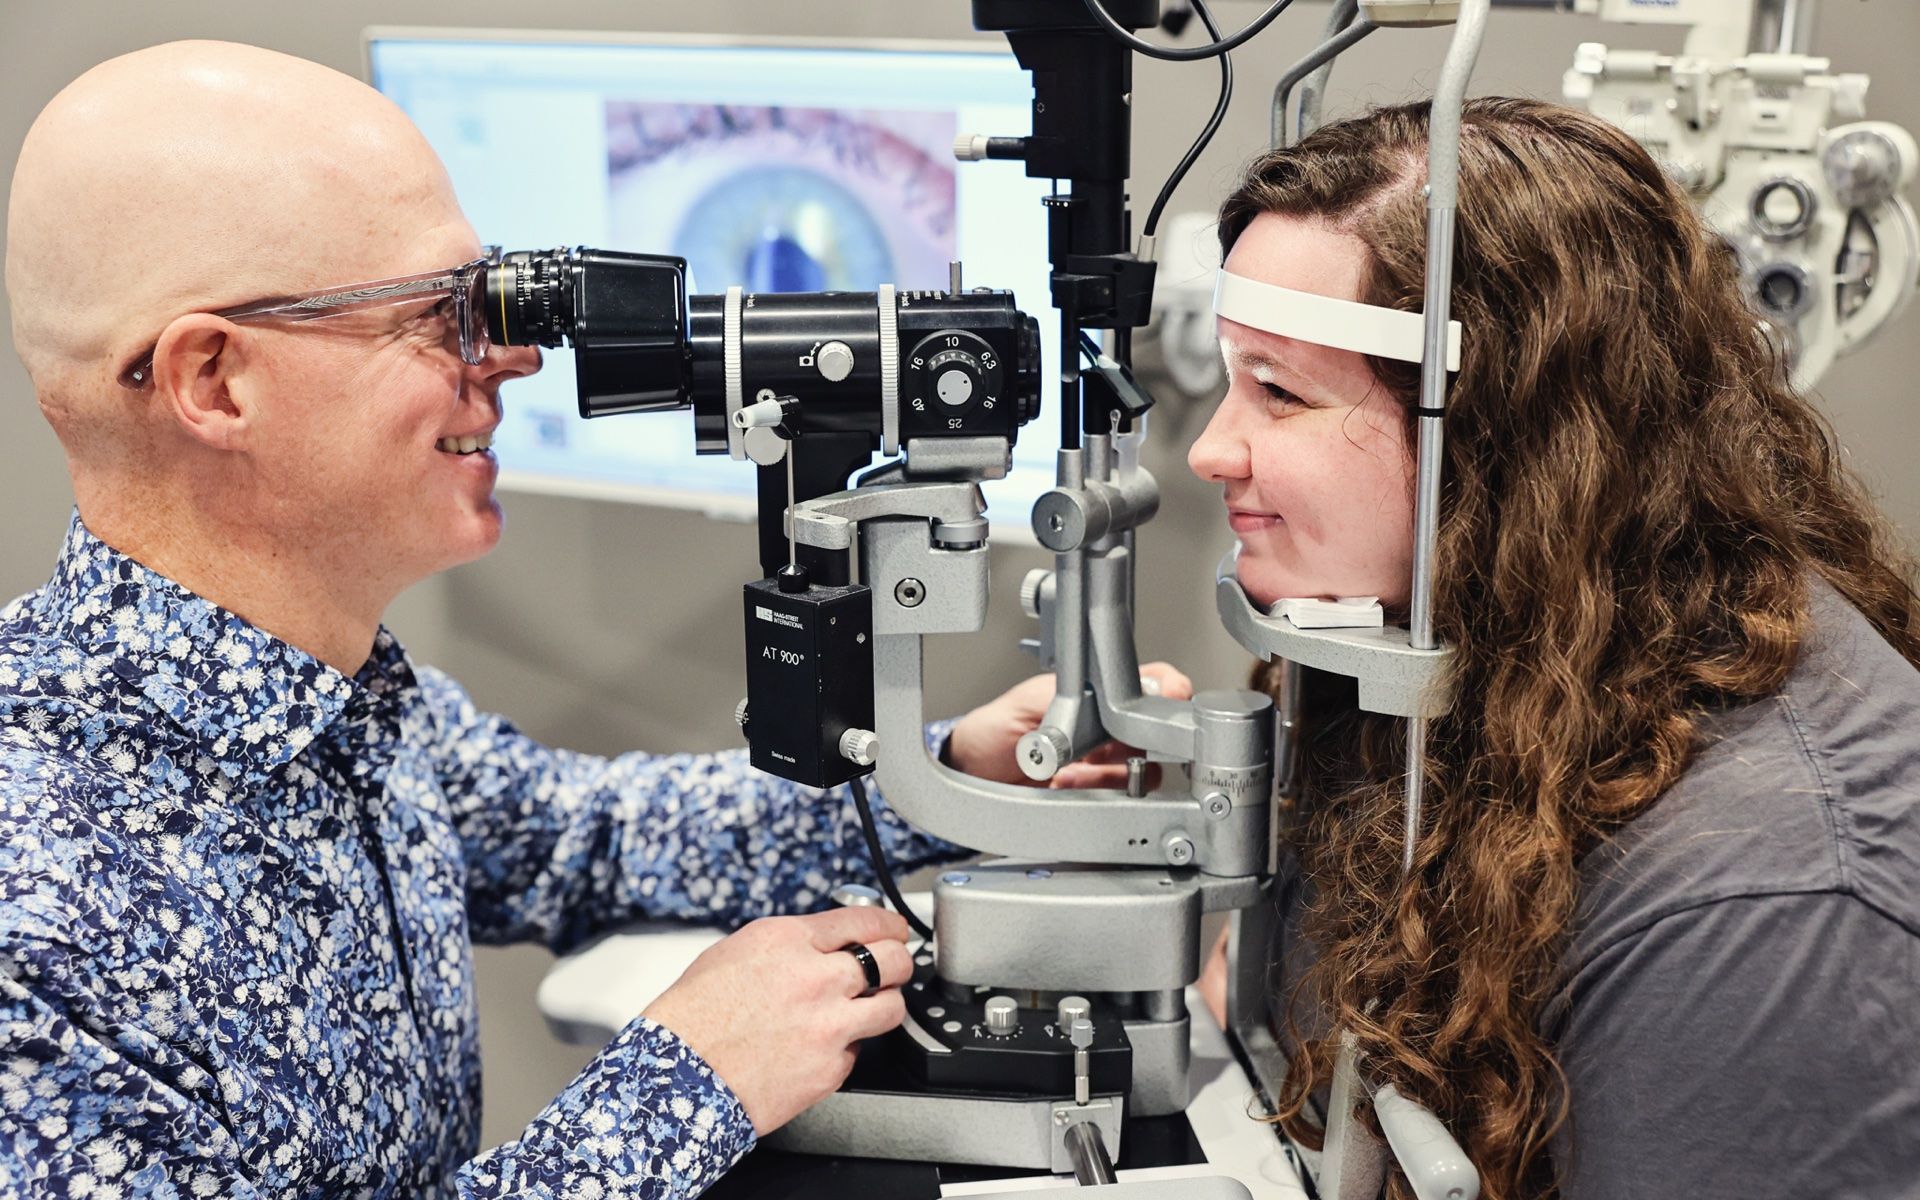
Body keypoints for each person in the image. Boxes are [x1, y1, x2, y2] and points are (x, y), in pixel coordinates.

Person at [0, 41, 1186, 1199]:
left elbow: (584, 839)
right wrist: (683, 1086)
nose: (509, 356)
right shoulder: (35, 915)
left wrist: (945, 770)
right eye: (438, 313)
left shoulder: (337, 695)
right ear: (216, 382)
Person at [1187, 96, 1920, 1198]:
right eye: (1230, 375)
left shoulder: (1771, 910)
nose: (1208, 449)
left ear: (1488, 427)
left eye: (1278, 390)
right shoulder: (1456, 650)